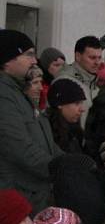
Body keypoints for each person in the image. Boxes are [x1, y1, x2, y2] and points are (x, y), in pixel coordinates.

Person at [0, 29, 61, 212]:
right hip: (18, 195)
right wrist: (58, 168)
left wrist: (69, 161)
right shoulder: (4, 95)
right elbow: (16, 145)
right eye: (28, 55)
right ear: (8, 60)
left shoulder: (18, 91)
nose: (34, 61)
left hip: (33, 192)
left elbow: (42, 139)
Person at [54, 36, 103, 127]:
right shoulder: (65, 82)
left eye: (99, 58)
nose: (97, 62)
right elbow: (56, 119)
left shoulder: (94, 84)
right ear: (78, 56)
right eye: (92, 58)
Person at [45, 79, 87, 154]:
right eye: (77, 103)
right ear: (60, 105)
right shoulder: (47, 132)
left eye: (81, 103)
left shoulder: (74, 130)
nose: (82, 109)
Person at [37, 47, 66, 111]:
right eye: (56, 65)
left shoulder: (64, 82)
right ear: (46, 66)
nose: (61, 69)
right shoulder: (37, 84)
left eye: (63, 65)